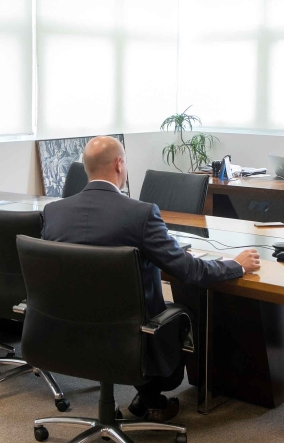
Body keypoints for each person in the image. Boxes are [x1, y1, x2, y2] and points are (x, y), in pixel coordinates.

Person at [41, 136, 261, 422]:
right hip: (129, 339)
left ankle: (147, 398)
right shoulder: (141, 214)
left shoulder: (54, 212)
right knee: (182, 314)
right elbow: (191, 272)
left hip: (64, 333)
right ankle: (151, 393)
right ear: (120, 164)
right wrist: (236, 265)